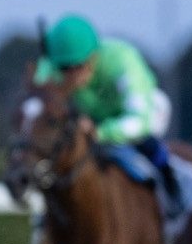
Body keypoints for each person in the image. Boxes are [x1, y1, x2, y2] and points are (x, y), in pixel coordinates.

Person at [33, 15, 182, 213]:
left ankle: (171, 187)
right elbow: (37, 100)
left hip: (145, 115)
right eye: (64, 68)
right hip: (95, 116)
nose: (71, 76)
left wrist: (99, 132)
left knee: (144, 142)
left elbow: (140, 122)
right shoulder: (54, 64)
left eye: (78, 66)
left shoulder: (123, 61)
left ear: (93, 56)